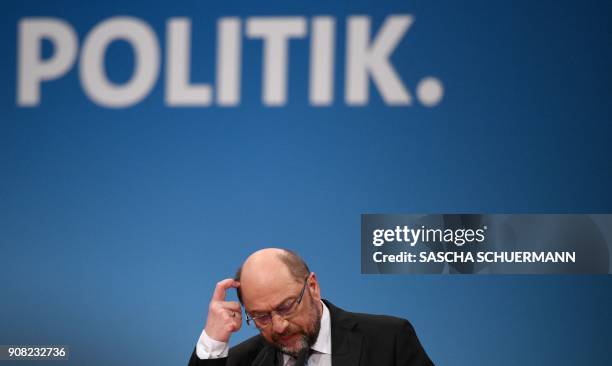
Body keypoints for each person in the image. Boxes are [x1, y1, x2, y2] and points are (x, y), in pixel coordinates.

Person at [188, 248, 434, 366]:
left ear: (313, 287)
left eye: (286, 307)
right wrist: (213, 340)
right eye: (261, 317)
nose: (279, 326)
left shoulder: (388, 340)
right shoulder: (241, 361)